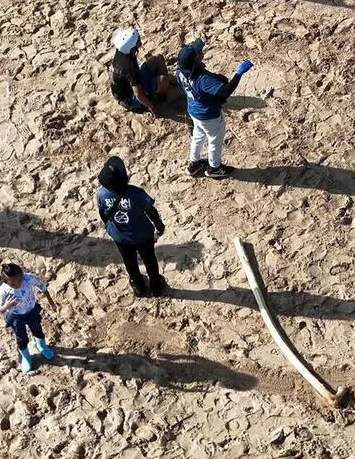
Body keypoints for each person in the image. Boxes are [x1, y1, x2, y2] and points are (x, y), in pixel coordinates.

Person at [176, 39, 252, 179]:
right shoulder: (202, 79)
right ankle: (215, 168)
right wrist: (238, 73)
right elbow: (225, 92)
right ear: (195, 60)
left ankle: (194, 163)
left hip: (193, 110)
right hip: (208, 115)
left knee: (198, 136)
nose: (201, 52)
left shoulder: (180, 71)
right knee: (215, 140)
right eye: (199, 52)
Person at [96, 156, 167, 298]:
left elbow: (103, 213)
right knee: (150, 260)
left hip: (120, 237)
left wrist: (111, 228)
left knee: (130, 261)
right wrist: (159, 226)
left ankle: (138, 286)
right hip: (143, 235)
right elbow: (151, 211)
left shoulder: (102, 194)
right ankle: (155, 286)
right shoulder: (137, 193)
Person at [0, 261, 57, 374]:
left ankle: (41, 346)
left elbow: (42, 287)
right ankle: (26, 357)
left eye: (20, 280)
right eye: (13, 284)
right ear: (5, 282)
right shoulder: (4, 289)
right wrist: (6, 306)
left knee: (37, 329)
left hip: (31, 311)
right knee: (21, 338)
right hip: (16, 317)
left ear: (22, 274)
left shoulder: (28, 278)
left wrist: (51, 302)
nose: (17, 284)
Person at [110, 28, 167, 116]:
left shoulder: (122, 52)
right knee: (163, 80)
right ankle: (159, 97)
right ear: (132, 48)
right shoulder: (129, 67)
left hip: (130, 82)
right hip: (130, 98)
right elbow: (138, 94)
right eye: (138, 42)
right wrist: (152, 107)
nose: (140, 43)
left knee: (158, 58)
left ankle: (160, 90)